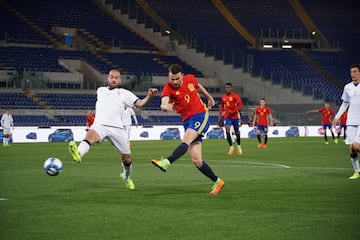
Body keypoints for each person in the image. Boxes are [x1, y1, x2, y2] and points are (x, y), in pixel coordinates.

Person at [68, 69, 158, 190]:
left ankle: (127, 177)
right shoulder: (100, 90)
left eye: (116, 77)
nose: (114, 79)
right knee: (89, 137)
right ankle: (78, 154)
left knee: (127, 159)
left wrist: (149, 96)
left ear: (120, 80)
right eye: (111, 77)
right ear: (108, 78)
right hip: (100, 125)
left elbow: (140, 104)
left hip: (117, 128)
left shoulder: (124, 93)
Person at [151, 64, 225, 196]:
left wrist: (210, 97)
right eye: (171, 79)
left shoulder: (190, 79)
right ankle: (218, 181)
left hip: (201, 115)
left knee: (185, 140)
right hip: (187, 121)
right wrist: (165, 106)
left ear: (182, 76)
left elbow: (198, 86)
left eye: (177, 79)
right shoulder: (168, 88)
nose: (174, 82)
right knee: (197, 160)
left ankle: (166, 162)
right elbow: (164, 101)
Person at [332, 64, 360, 180]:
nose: (352, 74)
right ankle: (357, 171)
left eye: (355, 72)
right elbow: (345, 103)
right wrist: (337, 117)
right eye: (351, 72)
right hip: (351, 121)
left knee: (356, 146)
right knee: (352, 148)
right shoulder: (347, 87)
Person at [218, 82, 243, 155]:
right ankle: (231, 147)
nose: (227, 89)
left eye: (228, 87)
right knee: (227, 131)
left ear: (231, 88)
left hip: (235, 116)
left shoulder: (235, 96)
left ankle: (239, 147)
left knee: (237, 131)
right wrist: (220, 115)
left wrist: (234, 111)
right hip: (227, 116)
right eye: (226, 87)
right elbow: (222, 106)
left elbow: (240, 105)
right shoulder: (223, 97)